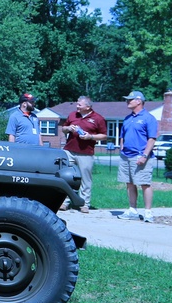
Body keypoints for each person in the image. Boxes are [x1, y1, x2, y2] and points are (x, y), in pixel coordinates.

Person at [60, 96, 108, 212]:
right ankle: (64, 202)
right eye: (77, 104)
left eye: (79, 105)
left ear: (88, 107)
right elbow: (63, 128)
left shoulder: (98, 118)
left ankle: (84, 203)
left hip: (86, 153)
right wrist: (68, 129)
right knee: (66, 177)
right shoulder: (72, 115)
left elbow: (104, 135)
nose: (77, 106)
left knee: (85, 179)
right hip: (69, 151)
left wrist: (90, 136)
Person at [117, 91, 158, 223]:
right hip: (126, 156)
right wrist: (121, 146)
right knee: (129, 183)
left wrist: (145, 155)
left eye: (130, 100)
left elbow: (151, 139)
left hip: (140, 156)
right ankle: (133, 210)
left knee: (144, 183)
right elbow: (122, 135)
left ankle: (148, 212)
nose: (127, 102)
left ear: (139, 101)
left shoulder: (148, 118)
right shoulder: (128, 118)